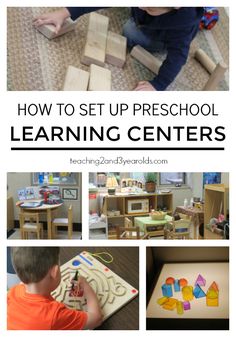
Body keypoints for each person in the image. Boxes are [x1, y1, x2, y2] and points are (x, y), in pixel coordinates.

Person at [33, 7, 204, 91]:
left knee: (130, 32)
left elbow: (178, 58)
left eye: (149, 6)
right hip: (155, 18)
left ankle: (144, 24)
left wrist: (157, 85)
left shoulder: (181, 27)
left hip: (161, 35)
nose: (141, 5)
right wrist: (65, 12)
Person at [7, 247, 103, 330]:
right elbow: (97, 319)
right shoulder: (54, 316)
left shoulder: (12, 292)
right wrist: (85, 285)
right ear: (55, 271)